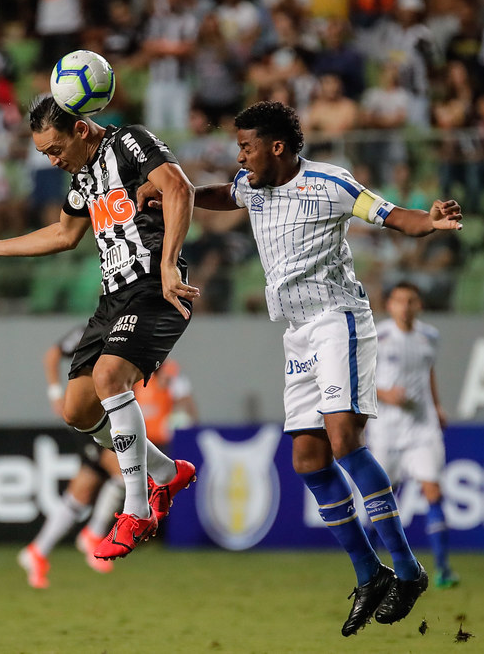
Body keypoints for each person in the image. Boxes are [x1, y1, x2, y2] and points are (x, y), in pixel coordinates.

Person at [149, 101, 463, 635]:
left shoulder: (330, 182)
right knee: (307, 460)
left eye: (247, 147)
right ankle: (370, 575)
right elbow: (225, 195)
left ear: (278, 146)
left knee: (343, 439)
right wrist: (175, 193)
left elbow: (389, 215)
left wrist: (427, 221)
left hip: (338, 318)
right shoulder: (251, 184)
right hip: (295, 332)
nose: (240, 157)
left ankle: (409, 571)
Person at [0, 95, 199, 560]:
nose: (52, 160)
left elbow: (180, 189)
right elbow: (64, 234)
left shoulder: (131, 142)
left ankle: (137, 508)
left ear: (81, 131)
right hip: (113, 299)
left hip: (157, 286)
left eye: (54, 149)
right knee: (78, 412)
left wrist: (169, 264)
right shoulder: (83, 179)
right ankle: (169, 474)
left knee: (110, 378)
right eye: (44, 154)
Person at [18, 325, 126, 588]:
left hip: (104, 415)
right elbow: (52, 355)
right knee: (124, 473)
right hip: (89, 415)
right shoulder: (90, 330)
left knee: (81, 492)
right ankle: (93, 535)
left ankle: (36, 552)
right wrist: (55, 394)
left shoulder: (126, 330)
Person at [369, 282, 459, 590]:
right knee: (380, 498)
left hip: (422, 427)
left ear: (419, 305)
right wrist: (385, 394)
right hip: (386, 430)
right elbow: (359, 379)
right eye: (399, 301)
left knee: (433, 492)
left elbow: (428, 371)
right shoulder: (376, 336)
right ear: (389, 304)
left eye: (411, 301)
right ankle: (370, 570)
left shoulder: (429, 336)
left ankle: (444, 570)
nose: (405, 306)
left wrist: (437, 405)